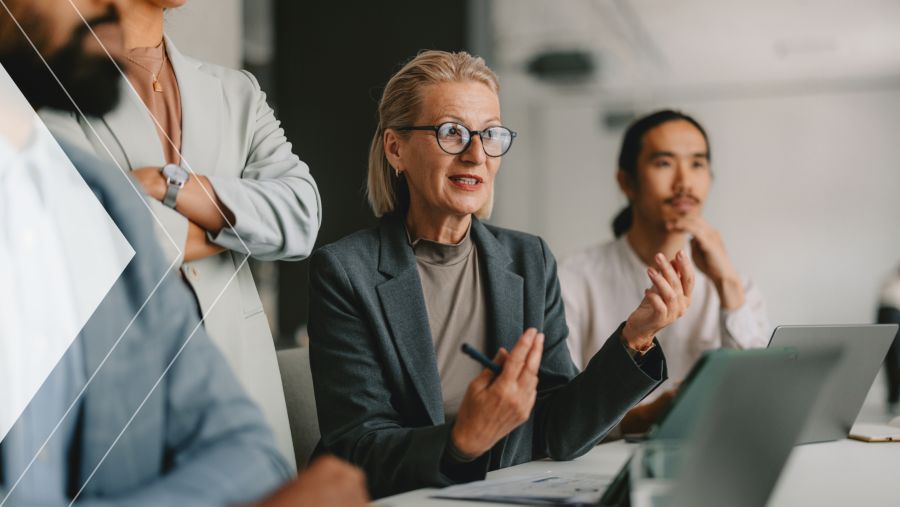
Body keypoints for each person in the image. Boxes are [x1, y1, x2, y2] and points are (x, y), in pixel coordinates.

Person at [0, 0, 366, 505]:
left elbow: (302, 214)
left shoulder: (233, 93)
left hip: (231, 369)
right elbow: (117, 235)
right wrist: (234, 224)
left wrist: (171, 186)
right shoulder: (55, 99)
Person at [307, 50, 694, 499]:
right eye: (452, 132)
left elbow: (559, 430)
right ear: (396, 148)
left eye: (490, 134)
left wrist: (635, 338)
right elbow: (358, 448)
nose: (476, 155)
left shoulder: (528, 259)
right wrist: (462, 441)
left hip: (502, 492)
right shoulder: (345, 270)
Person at [558, 110, 770, 431]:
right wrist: (646, 417)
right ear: (626, 182)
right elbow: (559, 414)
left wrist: (726, 283)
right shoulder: (573, 279)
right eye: (664, 163)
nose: (684, 183)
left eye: (697, 164)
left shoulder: (737, 286)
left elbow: (758, 399)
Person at [877, 266, 900, 413]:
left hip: (886, 314)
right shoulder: (891, 283)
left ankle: (893, 398)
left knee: (893, 359)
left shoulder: (889, 282)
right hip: (891, 313)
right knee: (894, 359)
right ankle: (893, 398)